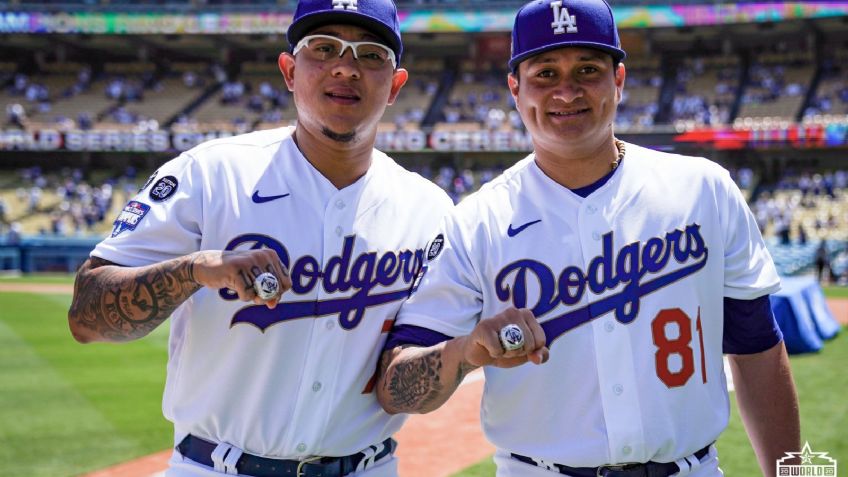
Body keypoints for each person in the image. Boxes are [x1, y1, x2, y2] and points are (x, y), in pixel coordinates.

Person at [376, 1, 800, 476]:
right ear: (515, 89)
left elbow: (757, 347)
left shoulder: (704, 189)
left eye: (588, 70)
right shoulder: (475, 221)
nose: (567, 91)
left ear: (618, 80)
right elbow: (395, 387)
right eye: (545, 74)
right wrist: (466, 350)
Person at [67, 1, 452, 476]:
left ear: (395, 86)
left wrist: (469, 349)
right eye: (323, 48)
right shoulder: (211, 174)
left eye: (370, 54)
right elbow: (86, 318)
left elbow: (407, 377)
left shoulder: (429, 209)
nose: (345, 67)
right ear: (289, 71)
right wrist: (195, 269)